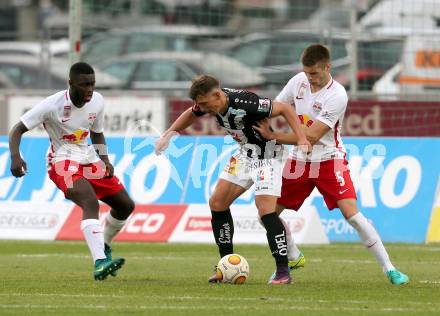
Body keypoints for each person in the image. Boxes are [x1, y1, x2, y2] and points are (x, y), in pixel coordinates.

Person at [253, 44, 409, 285]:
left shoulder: (337, 95)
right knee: (267, 215)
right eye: (306, 73)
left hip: (329, 160)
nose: (310, 78)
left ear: (328, 67)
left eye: (314, 73)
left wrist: (273, 136)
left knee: (353, 216)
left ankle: (390, 269)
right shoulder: (298, 81)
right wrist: (249, 113)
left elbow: (312, 136)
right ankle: (292, 255)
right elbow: (276, 107)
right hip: (299, 161)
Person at [156, 74, 311, 284]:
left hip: (268, 156)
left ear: (217, 95)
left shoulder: (247, 103)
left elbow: (284, 108)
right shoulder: (209, 102)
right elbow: (191, 113)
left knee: (265, 209)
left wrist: (301, 138)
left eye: (204, 103)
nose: (202, 108)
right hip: (245, 154)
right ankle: (226, 266)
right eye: (199, 103)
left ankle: (283, 271)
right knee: (217, 203)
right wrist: (168, 134)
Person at [9, 62, 135, 281]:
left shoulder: (97, 101)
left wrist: (105, 160)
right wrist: (15, 157)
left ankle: (103, 245)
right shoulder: (52, 105)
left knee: (125, 205)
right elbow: (17, 129)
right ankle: (99, 262)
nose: (89, 89)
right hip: (61, 162)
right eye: (84, 84)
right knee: (90, 203)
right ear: (71, 83)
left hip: (88, 160)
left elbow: (97, 133)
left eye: (92, 84)